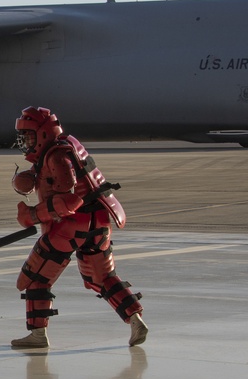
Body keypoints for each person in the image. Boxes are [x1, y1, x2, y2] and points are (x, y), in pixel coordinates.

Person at [8, 106, 148, 348]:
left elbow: (68, 200)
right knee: (103, 278)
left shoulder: (56, 155)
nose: (26, 143)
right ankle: (135, 319)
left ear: (42, 133)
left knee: (34, 279)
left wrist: (31, 215)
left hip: (70, 227)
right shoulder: (64, 148)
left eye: (30, 136)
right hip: (99, 223)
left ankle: (38, 335)